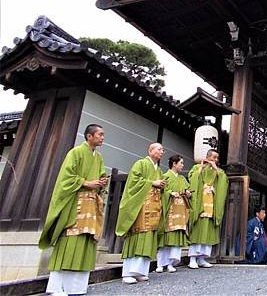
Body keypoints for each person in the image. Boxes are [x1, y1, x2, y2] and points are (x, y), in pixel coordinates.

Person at [39, 124, 108, 296]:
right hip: (75, 204)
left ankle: (77, 287)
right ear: (89, 136)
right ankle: (56, 287)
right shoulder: (75, 153)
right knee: (69, 239)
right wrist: (85, 182)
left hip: (91, 205)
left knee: (86, 240)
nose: (102, 138)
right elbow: (66, 177)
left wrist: (101, 183)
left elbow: (100, 175)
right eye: (100, 134)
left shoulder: (98, 157)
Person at [116, 143, 165, 284]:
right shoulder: (141, 164)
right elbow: (133, 181)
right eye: (159, 149)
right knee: (137, 235)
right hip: (141, 205)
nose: (161, 151)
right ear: (150, 150)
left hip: (154, 207)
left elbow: (162, 186)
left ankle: (141, 271)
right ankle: (127, 273)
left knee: (149, 236)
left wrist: (162, 186)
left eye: (162, 150)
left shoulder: (159, 170)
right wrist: (152, 183)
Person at [187, 148, 228, 269]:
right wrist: (201, 168)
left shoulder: (218, 171)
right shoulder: (197, 168)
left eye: (217, 158)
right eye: (213, 157)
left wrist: (216, 170)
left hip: (211, 204)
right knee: (198, 231)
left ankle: (202, 258)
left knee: (208, 232)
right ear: (208, 156)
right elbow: (192, 178)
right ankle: (192, 258)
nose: (215, 160)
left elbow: (224, 182)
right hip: (200, 204)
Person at [156, 154, 190, 273]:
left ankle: (171, 263)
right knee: (166, 238)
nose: (182, 165)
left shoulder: (182, 179)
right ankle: (160, 263)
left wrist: (187, 193)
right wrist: (169, 193)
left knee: (175, 238)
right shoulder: (165, 177)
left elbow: (187, 190)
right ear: (174, 164)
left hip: (180, 210)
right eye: (181, 163)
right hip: (169, 210)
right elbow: (160, 192)